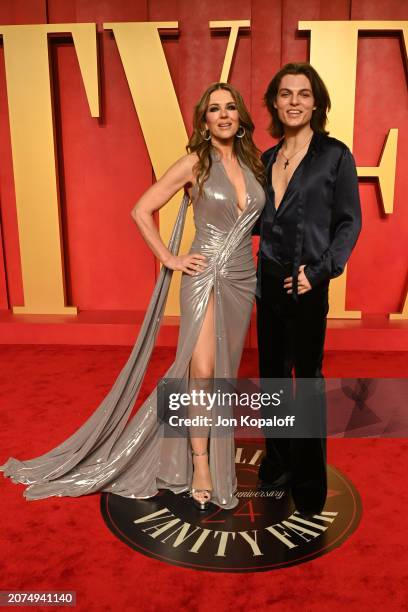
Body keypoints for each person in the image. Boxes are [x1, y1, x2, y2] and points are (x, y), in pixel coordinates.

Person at [0, 82, 265, 511]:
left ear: (240, 117)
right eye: (214, 109)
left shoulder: (254, 164)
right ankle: (200, 465)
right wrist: (171, 258)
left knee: (222, 377)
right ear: (203, 120)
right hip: (204, 277)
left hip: (241, 279)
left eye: (230, 107)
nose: (223, 115)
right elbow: (141, 209)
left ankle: (209, 457)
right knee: (201, 372)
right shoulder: (194, 163)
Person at [254, 63, 362, 516]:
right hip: (267, 282)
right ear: (275, 104)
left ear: (315, 102)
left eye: (303, 93)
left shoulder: (335, 156)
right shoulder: (264, 159)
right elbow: (258, 221)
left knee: (308, 383)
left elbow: (349, 222)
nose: (294, 101)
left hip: (307, 284)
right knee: (274, 380)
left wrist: (320, 272)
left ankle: (310, 482)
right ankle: (277, 462)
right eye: (285, 93)